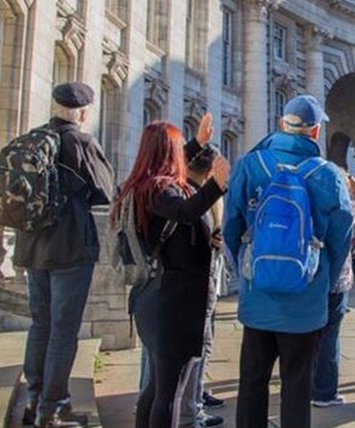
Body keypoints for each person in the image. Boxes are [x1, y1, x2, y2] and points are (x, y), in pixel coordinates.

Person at [224, 95, 353, 428]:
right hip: (306, 299)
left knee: (252, 381)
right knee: (297, 387)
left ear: (282, 124)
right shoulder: (329, 175)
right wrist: (324, 281)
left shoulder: (251, 165)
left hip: (258, 293)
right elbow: (341, 240)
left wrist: (245, 272)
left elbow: (231, 227)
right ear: (315, 132)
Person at [117, 116, 230, 428]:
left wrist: (198, 142)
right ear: (168, 154)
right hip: (171, 302)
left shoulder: (143, 186)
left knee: (157, 387)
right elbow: (185, 211)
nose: (183, 155)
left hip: (154, 296)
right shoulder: (161, 190)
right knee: (169, 392)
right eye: (178, 149)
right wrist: (217, 185)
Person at [15, 83, 115, 428]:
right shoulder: (80, 142)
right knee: (63, 330)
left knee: (40, 324)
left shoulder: (32, 139)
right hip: (70, 246)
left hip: (32, 244)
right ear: (83, 113)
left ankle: (34, 400)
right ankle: (53, 408)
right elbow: (106, 189)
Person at [178, 144, 227, 428]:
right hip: (196, 285)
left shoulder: (181, 193)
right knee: (198, 345)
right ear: (210, 173)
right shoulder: (194, 198)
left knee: (199, 345)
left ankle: (194, 401)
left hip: (195, 284)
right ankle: (190, 411)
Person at [312, 171, 355, 408]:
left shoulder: (312, 206)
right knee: (329, 336)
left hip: (311, 277)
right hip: (338, 281)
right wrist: (348, 177)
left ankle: (304, 384)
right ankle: (325, 392)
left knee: (309, 333)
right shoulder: (347, 209)